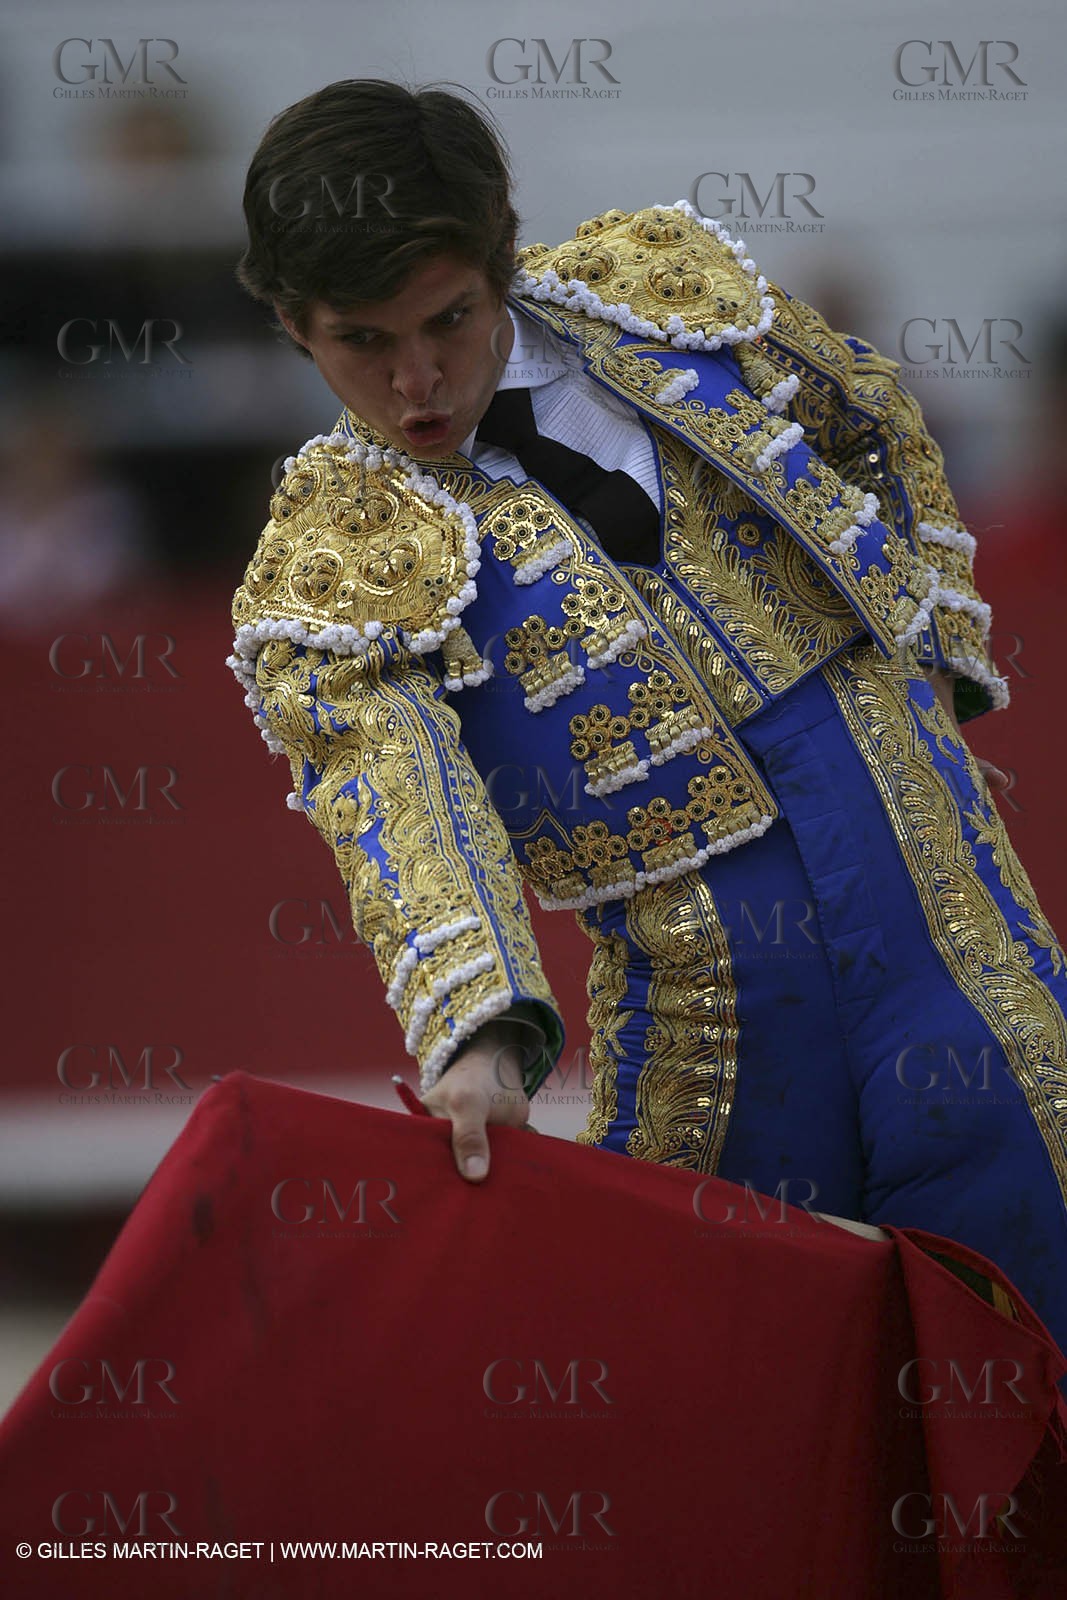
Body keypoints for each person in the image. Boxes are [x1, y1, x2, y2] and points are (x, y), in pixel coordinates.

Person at [230, 79, 1067, 1357]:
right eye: (361, 342)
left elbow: (868, 416)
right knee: (709, 1392)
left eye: (448, 319)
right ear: (294, 328)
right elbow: (392, 787)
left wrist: (932, 658)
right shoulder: (326, 555)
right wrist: (478, 1030)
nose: (416, 380)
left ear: (500, 257)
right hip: (709, 999)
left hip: (942, 910)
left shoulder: (661, 292)